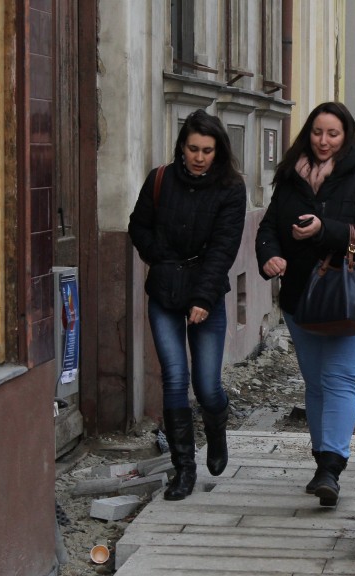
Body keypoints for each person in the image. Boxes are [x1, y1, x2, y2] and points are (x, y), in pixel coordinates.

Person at [255, 102, 355, 507]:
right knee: (315, 383)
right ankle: (321, 459)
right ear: (307, 134)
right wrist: (269, 257)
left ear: (346, 135)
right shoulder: (291, 175)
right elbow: (268, 227)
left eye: (332, 133)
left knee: (340, 379)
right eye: (317, 132)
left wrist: (323, 229)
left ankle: (331, 467)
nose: (323, 141)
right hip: (303, 298)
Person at [128, 110, 247, 501]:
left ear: (218, 151)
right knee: (175, 377)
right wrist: (161, 257)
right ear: (182, 147)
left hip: (205, 293)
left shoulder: (231, 188)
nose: (199, 157)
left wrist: (202, 297)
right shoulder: (160, 179)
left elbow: (224, 248)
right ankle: (183, 469)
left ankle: (216, 429)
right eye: (193, 148)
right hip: (164, 290)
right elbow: (138, 226)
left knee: (207, 385)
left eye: (207, 150)